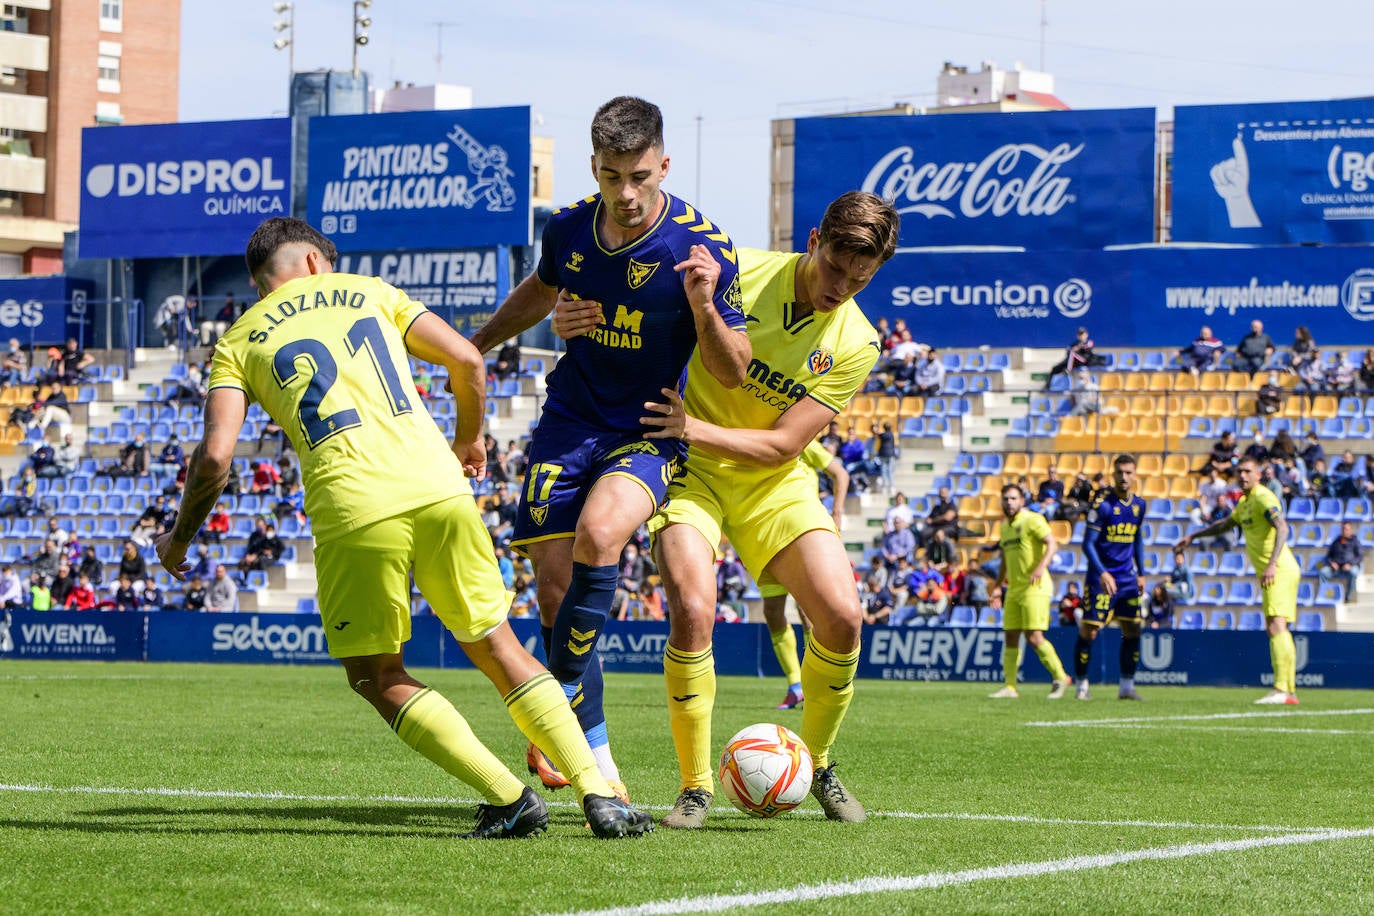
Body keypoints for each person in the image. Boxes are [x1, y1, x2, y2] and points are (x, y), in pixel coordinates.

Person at [154, 216, 652, 839]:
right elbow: (468, 357)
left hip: (354, 508)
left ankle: (508, 796)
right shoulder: (371, 291)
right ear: (314, 262)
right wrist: (468, 439)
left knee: (375, 673)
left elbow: (215, 458)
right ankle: (600, 793)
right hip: (441, 488)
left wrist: (178, 540)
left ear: (264, 283)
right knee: (501, 649)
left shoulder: (238, 338)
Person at [577, 190, 901, 828]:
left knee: (841, 615)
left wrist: (690, 427)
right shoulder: (735, 269)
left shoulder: (859, 340)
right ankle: (695, 788)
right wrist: (572, 310)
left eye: (860, 279)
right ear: (814, 239)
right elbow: (631, 298)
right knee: (694, 611)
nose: (842, 287)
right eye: (836, 268)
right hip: (687, 472)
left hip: (768, 479)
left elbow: (784, 444)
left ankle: (817, 761)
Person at [466, 97, 751, 800]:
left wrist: (703, 308)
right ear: (594, 167)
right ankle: (599, 765)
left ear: (664, 165)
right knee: (557, 600)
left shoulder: (703, 247)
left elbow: (735, 368)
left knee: (601, 533)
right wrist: (472, 349)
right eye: (609, 176)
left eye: (638, 176)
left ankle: (552, 700)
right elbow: (541, 292)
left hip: (648, 428)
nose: (624, 194)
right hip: (568, 420)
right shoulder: (567, 228)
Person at [1177, 455, 1302, 704]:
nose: (1242, 476)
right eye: (1239, 472)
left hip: (1280, 569)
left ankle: (1282, 690)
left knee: (1277, 625)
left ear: (1258, 474)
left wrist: (1272, 563)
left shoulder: (1263, 496)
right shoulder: (1245, 501)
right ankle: (1288, 690)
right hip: (1274, 569)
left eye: (1247, 471)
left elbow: (1283, 527)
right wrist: (1194, 536)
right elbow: (1224, 524)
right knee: (1275, 627)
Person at [761, 438, 850, 711]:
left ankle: (816, 686)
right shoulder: (757, 437)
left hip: (801, 528)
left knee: (808, 610)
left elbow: (840, 473)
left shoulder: (798, 439)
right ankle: (796, 686)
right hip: (765, 532)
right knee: (773, 612)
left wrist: (836, 512)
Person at [1074, 454, 1148, 701]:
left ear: (1135, 474)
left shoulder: (1139, 505)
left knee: (1132, 629)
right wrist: (1103, 573)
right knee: (1090, 631)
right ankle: (1082, 685)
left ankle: (1126, 686)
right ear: (1113, 474)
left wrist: (1142, 573)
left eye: (1128, 472)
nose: (1124, 477)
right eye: (1119, 473)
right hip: (1100, 577)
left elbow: (1137, 538)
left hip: (1127, 578)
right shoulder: (1102, 504)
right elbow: (1088, 544)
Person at [1318, 521, 1363, 599]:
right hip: (1336, 568)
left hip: (1350, 566)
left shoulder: (1355, 542)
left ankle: (1348, 597)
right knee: (1323, 572)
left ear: (1350, 530)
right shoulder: (1336, 542)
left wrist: (1350, 564)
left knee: (1353, 573)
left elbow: (1360, 556)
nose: (1344, 531)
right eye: (1343, 529)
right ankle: (1324, 596)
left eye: (1346, 529)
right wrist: (1332, 563)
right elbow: (1329, 556)